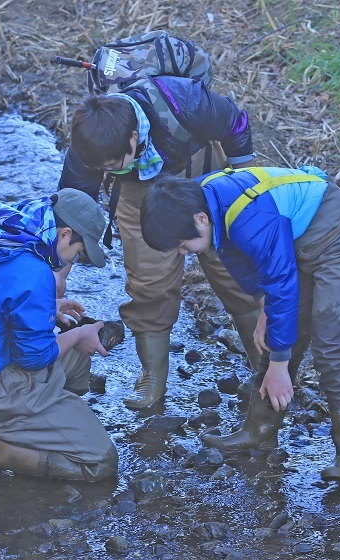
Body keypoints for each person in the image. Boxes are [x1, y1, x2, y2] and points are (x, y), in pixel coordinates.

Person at [139, 166, 340, 482]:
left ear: (199, 220)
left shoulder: (248, 218)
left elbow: (280, 279)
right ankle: (259, 431)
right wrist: (265, 310)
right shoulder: (204, 200)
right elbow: (249, 264)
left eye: (183, 245)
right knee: (275, 336)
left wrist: (281, 365)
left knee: (332, 348)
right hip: (296, 243)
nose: (185, 253)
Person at [58, 76, 263, 410]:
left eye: (110, 167)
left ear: (134, 138)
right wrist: (60, 272)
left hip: (200, 172)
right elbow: (72, 215)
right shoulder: (88, 149)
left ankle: (265, 364)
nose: (102, 172)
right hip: (138, 187)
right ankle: (152, 377)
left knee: (233, 270)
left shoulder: (184, 103)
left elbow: (236, 122)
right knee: (148, 281)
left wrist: (246, 185)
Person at [0, 189, 118, 482]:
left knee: (76, 357)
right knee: (101, 463)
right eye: (78, 253)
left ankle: (45, 427)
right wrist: (80, 335)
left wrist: (45, 308)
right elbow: (34, 358)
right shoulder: (34, 272)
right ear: (65, 234)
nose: (75, 261)